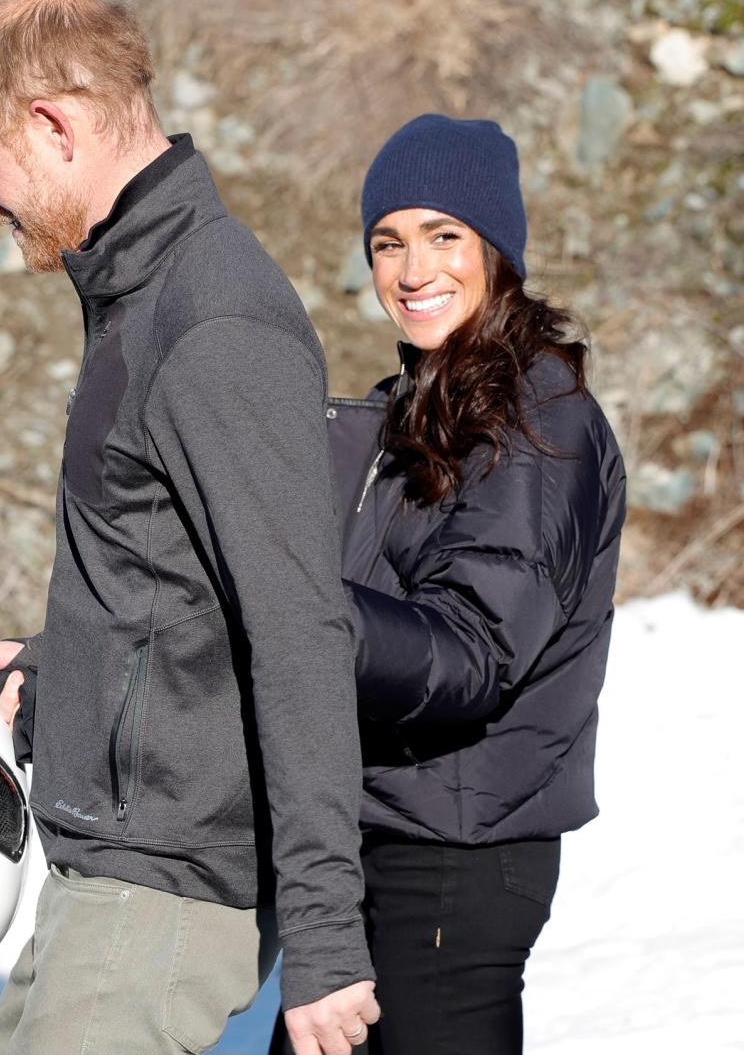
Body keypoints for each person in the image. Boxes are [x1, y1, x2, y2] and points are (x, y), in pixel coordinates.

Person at [0, 0, 380, 1055]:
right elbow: (175, 580)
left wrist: (324, 936)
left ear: (53, 124)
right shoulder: (134, 290)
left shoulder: (212, 320)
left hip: (163, 899)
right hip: (108, 877)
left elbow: (300, 632)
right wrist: (63, 663)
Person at [271, 114, 626, 1055]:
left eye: (443, 236)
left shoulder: (537, 424)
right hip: (384, 842)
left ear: (496, 251)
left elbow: (469, 652)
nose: (412, 269)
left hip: (455, 867)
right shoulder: (413, 413)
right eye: (388, 242)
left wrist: (298, 613)